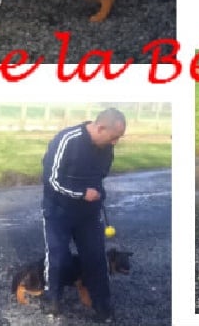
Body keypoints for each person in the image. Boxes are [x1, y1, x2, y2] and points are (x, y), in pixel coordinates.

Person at [41, 108, 126, 322]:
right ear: (100, 128)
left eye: (119, 138)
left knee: (96, 257)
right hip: (59, 210)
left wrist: (98, 194)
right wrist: (81, 194)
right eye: (114, 137)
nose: (115, 142)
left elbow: (100, 176)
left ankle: (102, 307)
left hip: (88, 213)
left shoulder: (106, 148)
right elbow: (51, 180)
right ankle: (53, 300)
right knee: (58, 256)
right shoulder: (67, 139)